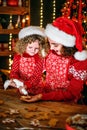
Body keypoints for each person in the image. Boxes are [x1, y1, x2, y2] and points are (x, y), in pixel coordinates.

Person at [20, 17, 87, 103]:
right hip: (44, 99)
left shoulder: (79, 61)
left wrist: (41, 97)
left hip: (66, 104)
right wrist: (26, 85)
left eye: (55, 45)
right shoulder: (50, 52)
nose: (51, 48)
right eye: (50, 43)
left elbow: (71, 93)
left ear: (67, 45)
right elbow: (37, 73)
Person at [4, 26, 46, 95]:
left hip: (37, 90)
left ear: (41, 47)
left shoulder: (39, 58)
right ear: (23, 45)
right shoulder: (18, 57)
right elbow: (14, 71)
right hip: (21, 89)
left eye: (37, 48)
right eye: (30, 47)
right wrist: (14, 80)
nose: (33, 50)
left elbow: (36, 77)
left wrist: (26, 86)